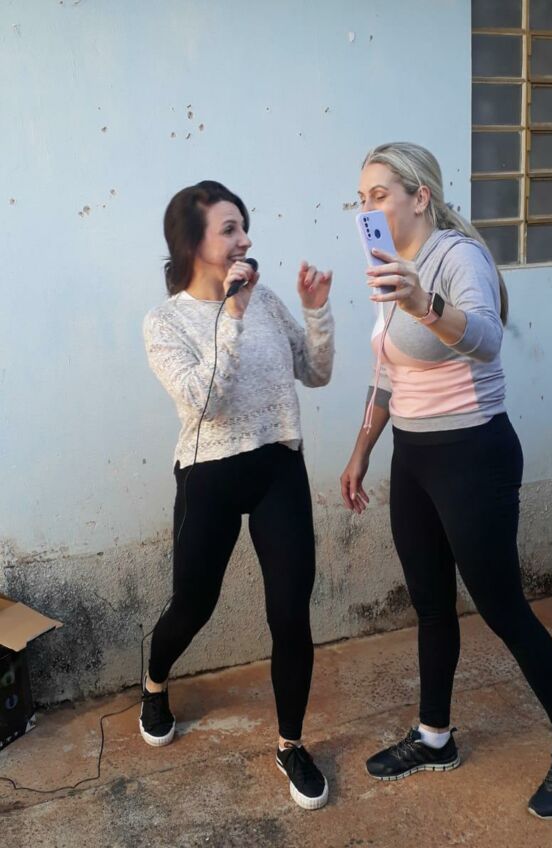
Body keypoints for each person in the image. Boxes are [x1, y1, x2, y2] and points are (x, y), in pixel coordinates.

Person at [340, 142, 552, 820]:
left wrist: (423, 302)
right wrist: (362, 449)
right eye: (360, 199)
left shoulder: (457, 258)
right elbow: (386, 369)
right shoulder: (387, 266)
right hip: (413, 455)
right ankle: (435, 735)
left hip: (472, 452)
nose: (367, 209)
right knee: (429, 605)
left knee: (502, 606)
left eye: (378, 195)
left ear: (420, 196)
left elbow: (485, 338)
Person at [142, 180, 334, 811]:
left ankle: (290, 744)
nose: (245, 239)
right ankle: (155, 681)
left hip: (278, 464)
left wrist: (315, 311)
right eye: (229, 229)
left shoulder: (267, 300)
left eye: (243, 226)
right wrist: (230, 315)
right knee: (193, 605)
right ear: (192, 243)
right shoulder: (165, 322)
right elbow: (206, 401)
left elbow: (316, 372)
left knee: (291, 614)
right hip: (209, 475)